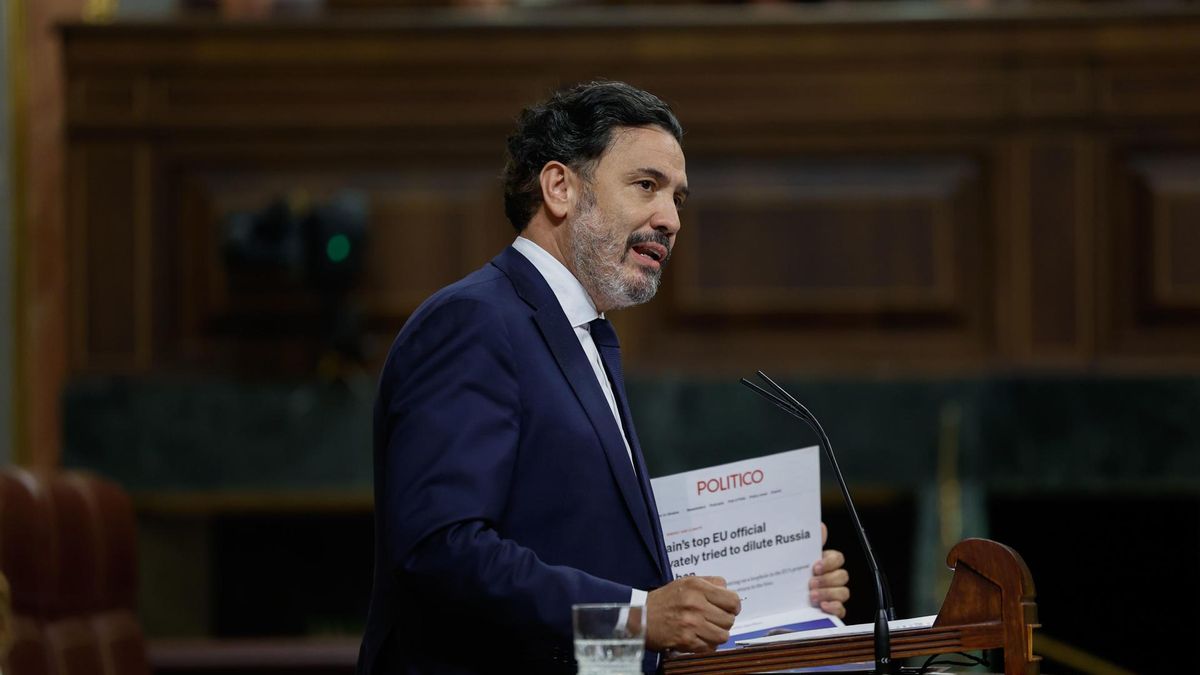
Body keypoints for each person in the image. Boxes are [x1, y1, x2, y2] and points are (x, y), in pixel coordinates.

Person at [357, 80, 850, 675]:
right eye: (646, 186)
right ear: (560, 187)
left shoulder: (584, 335)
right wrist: (639, 616)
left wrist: (769, 599)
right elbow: (440, 554)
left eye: (678, 199)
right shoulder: (475, 321)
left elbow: (576, 629)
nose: (669, 220)